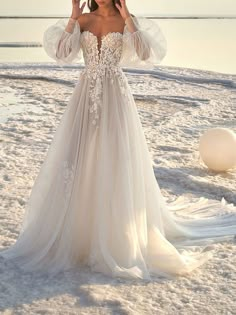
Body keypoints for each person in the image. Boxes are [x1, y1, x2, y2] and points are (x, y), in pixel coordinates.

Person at [1, 0, 236, 280]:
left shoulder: (126, 20)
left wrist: (128, 18)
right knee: (81, 154)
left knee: (114, 154)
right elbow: (62, 54)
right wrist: (73, 18)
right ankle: (80, 226)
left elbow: (147, 53)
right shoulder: (84, 21)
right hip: (86, 93)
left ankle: (115, 228)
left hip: (115, 94)